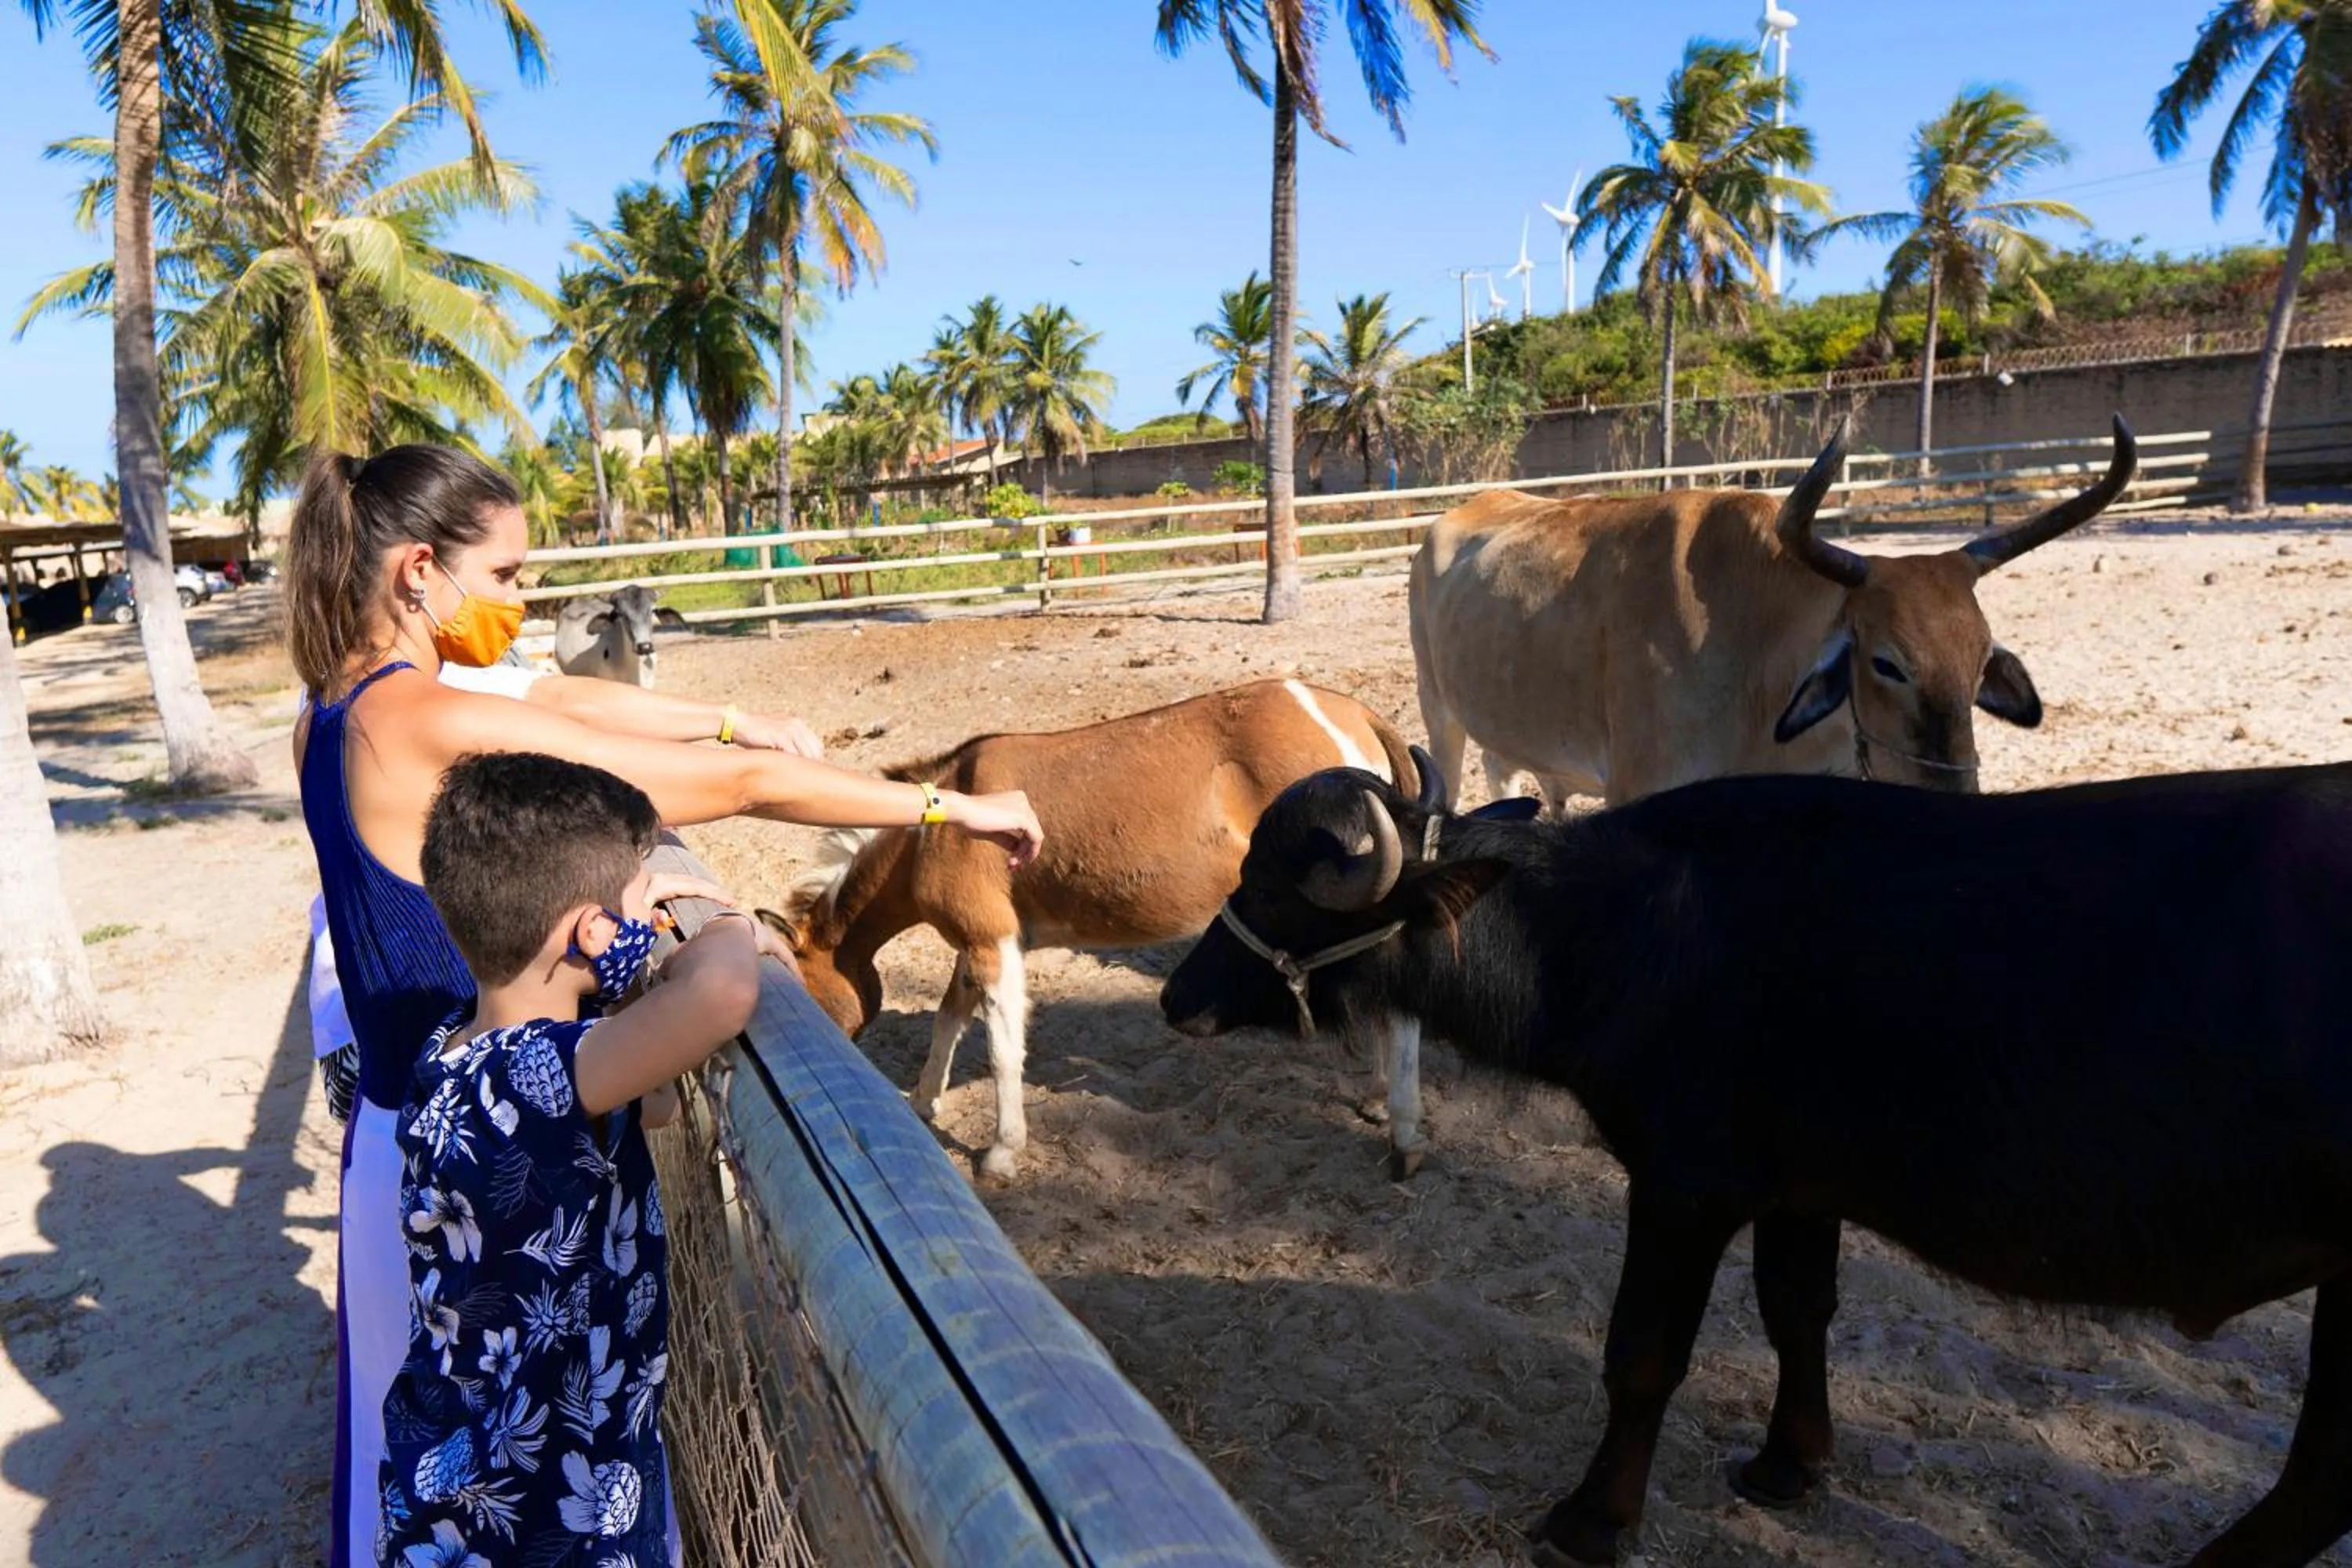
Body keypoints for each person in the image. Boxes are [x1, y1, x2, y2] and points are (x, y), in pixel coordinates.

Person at [286, 444, 1042, 1568]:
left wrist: (726, 720)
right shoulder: (418, 721)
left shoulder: (328, 712)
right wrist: (946, 808)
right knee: (527, 1474)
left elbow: (555, 702)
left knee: (433, 1473)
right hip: (494, 1190)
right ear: (416, 575)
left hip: (405, 1140)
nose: (518, 602)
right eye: (503, 577)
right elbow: (716, 791)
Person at [379, 750, 746, 1568]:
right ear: (591, 931)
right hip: (542, 1512)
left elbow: (649, 1101)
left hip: (494, 1476)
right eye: (630, 912)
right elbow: (724, 995)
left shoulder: (456, 1045)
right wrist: (725, 924)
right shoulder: (537, 1073)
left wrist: (612, 975)